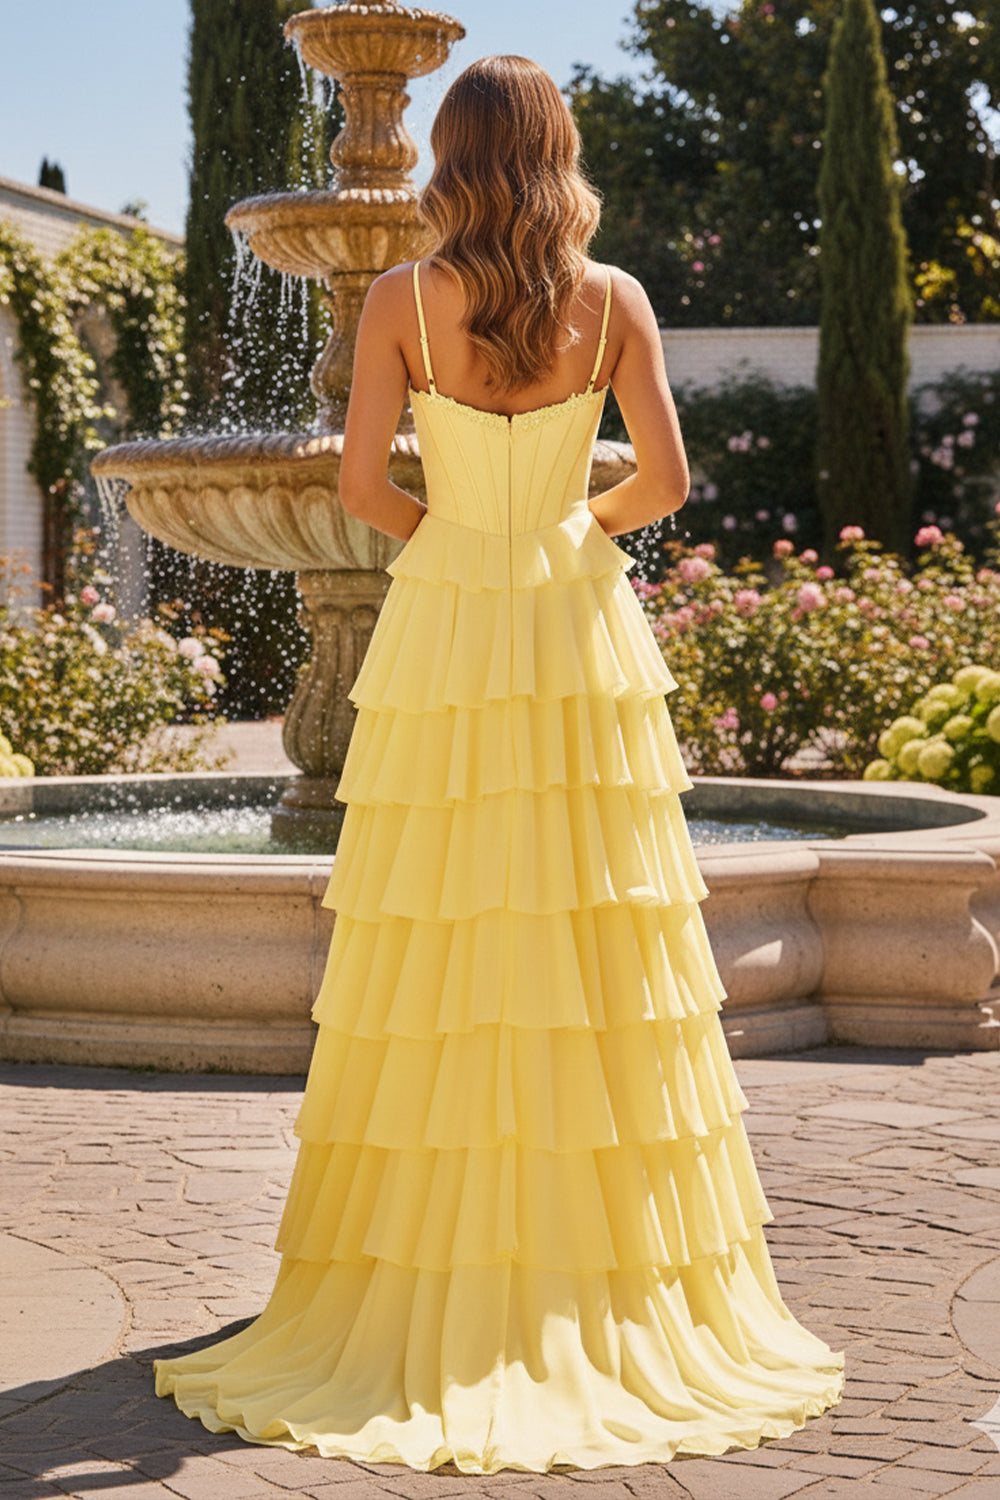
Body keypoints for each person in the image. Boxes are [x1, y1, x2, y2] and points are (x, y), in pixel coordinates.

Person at [153, 54, 845, 1474]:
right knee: (593, 914)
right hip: (578, 631)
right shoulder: (616, 302)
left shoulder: (404, 300)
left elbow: (358, 488)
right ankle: (603, 1271)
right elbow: (663, 482)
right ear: (560, 148)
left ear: (452, 155)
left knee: (441, 921)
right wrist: (564, 536)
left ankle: (431, 1261)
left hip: (451, 632)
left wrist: (462, 539)